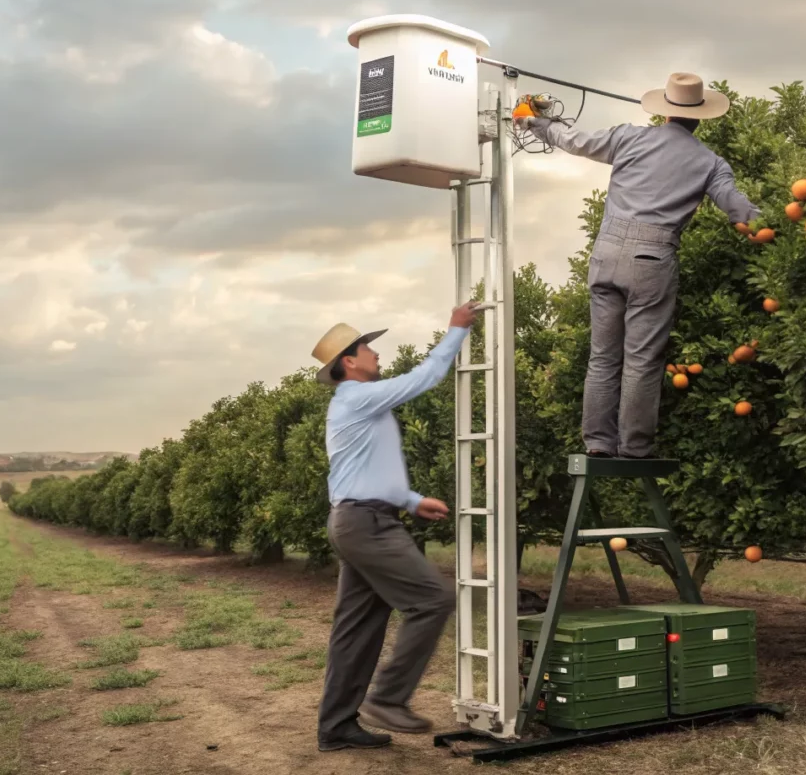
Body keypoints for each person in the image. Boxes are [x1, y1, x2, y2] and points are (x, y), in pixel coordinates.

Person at [515, 72, 761, 459]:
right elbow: (737, 207)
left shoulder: (630, 137)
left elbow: (575, 140)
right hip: (652, 259)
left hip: (606, 253)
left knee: (603, 356)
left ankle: (597, 442)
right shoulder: (711, 163)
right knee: (642, 360)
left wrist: (536, 123)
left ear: (664, 113)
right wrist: (763, 224)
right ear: (700, 117)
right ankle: (634, 447)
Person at [308, 299, 483, 752]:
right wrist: (456, 330)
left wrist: (411, 500)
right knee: (433, 599)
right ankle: (387, 698)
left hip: (360, 518)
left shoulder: (362, 405)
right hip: (365, 525)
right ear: (350, 360)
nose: (376, 354)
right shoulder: (358, 397)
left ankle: (338, 727)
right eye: (368, 347)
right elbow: (425, 377)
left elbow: (366, 468)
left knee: (358, 628)